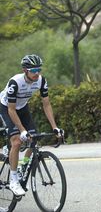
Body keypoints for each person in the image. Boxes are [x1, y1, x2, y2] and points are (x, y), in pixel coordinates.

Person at [0, 54, 64, 196]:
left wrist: (55, 127)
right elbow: (11, 109)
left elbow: (46, 104)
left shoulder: (41, 81)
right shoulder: (15, 82)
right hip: (5, 108)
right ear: (25, 70)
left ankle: (23, 166)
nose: (37, 73)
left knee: (33, 138)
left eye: (39, 70)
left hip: (22, 108)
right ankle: (14, 180)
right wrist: (22, 130)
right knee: (17, 141)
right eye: (34, 70)